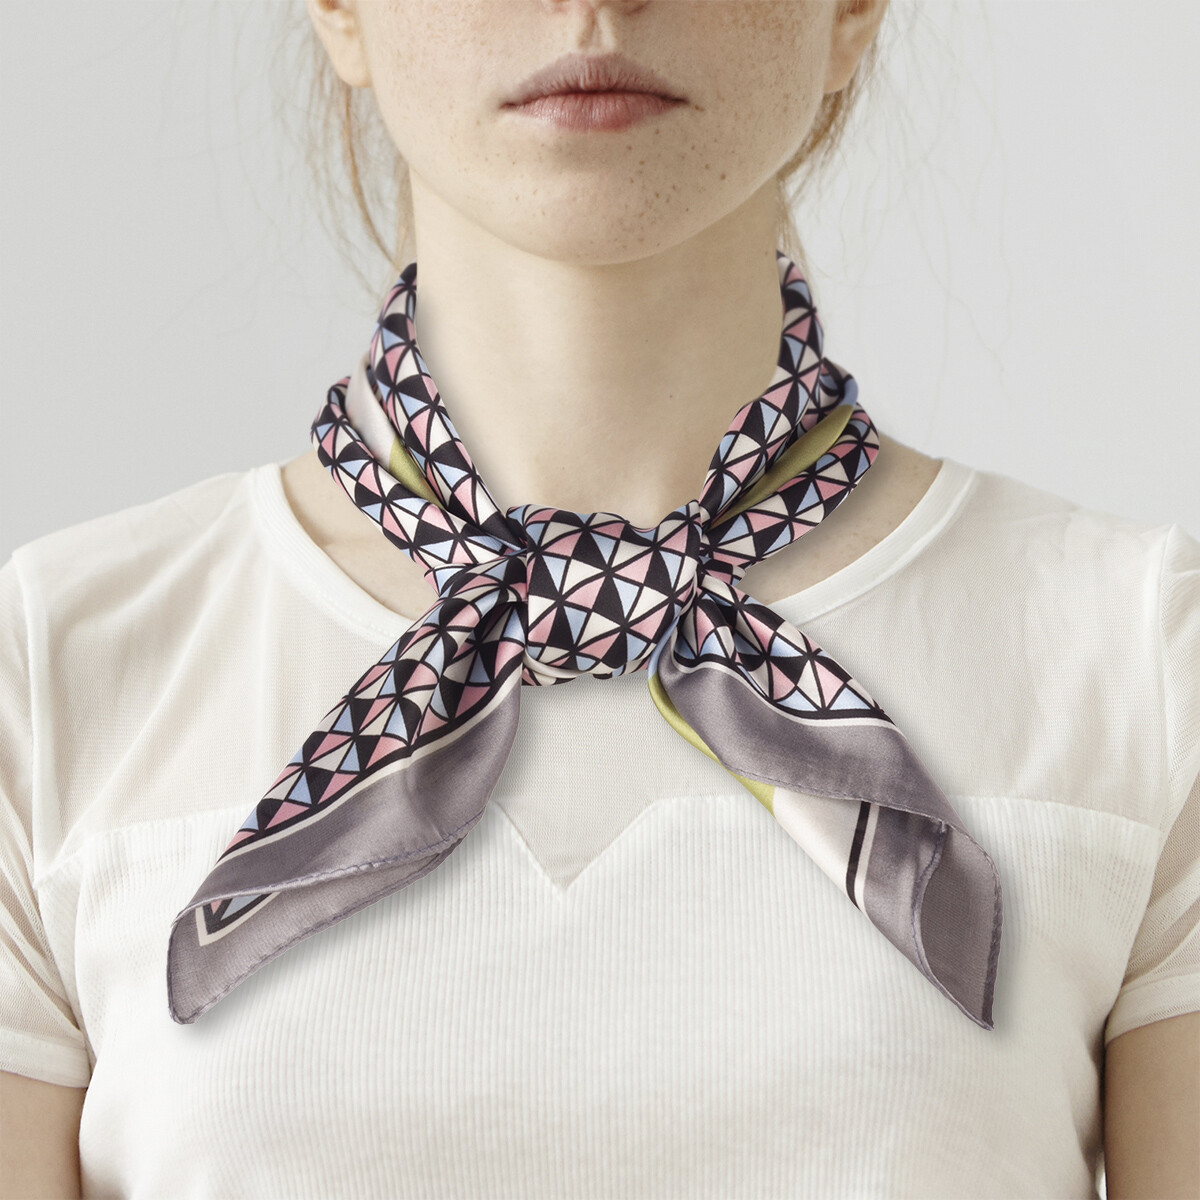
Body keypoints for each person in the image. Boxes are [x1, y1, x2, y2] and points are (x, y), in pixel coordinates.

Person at [1, 0, 1197, 1196]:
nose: (594, 5)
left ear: (850, 12)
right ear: (340, 11)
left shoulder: (1140, 662)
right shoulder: (49, 678)